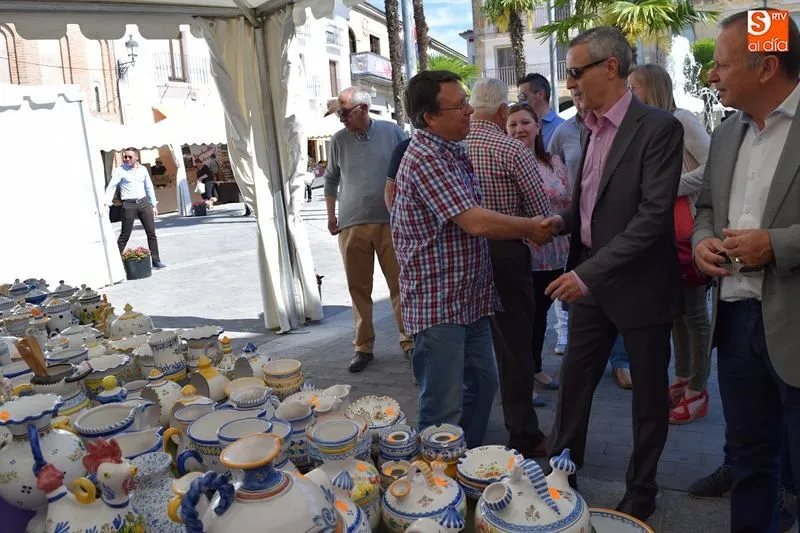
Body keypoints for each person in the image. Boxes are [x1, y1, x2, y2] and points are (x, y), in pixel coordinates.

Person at [542, 26, 684, 521]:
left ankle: (642, 491)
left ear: (610, 67)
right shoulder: (585, 126)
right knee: (574, 383)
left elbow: (650, 217)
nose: (569, 81)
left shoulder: (658, 128)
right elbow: (593, 207)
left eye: (575, 71)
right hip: (592, 283)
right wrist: (556, 226)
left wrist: (587, 275)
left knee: (647, 398)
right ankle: (562, 473)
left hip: (640, 288)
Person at [391, 70, 554, 449]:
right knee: (442, 404)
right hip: (439, 304)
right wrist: (530, 227)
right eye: (459, 105)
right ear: (430, 118)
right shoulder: (427, 157)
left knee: (483, 384)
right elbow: (475, 221)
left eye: (467, 101)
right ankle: (435, 485)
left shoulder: (454, 151)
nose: (469, 110)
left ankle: (464, 459)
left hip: (470, 299)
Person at [692, 10, 800, 532]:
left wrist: (775, 245)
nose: (713, 75)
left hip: (795, 327)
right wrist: (700, 241)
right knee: (751, 464)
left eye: (722, 64)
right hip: (735, 324)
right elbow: (708, 207)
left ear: (766, 67)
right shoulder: (728, 131)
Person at [464, 78, 552, 457]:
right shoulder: (512, 150)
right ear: (503, 111)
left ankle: (468, 428)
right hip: (507, 255)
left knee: (469, 344)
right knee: (515, 345)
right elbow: (541, 215)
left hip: (462, 254)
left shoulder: (454, 149)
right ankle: (523, 433)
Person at [628, 63, 712, 424]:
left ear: (653, 88)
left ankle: (698, 388)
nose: (630, 94)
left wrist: (669, 187)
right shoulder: (647, 125)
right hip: (665, 229)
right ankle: (682, 376)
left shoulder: (683, 119)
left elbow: (712, 167)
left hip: (688, 227)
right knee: (676, 310)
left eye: (635, 87)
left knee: (694, 313)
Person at [324, 86, 411, 373]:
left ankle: (408, 341)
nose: (341, 119)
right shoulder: (338, 140)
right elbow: (330, 179)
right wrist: (330, 215)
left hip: (391, 222)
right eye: (339, 114)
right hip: (351, 224)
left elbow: (409, 169)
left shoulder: (393, 131)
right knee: (358, 289)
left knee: (400, 286)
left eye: (345, 113)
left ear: (363, 108)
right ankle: (363, 347)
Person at [505, 100, 567, 407]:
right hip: (524, 254)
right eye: (513, 124)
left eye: (525, 122)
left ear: (537, 126)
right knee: (521, 320)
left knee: (540, 315)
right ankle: (519, 381)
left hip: (555, 253)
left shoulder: (553, 162)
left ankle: (536, 369)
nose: (519, 129)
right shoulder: (506, 162)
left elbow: (569, 199)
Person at [547, 89, 584, 357]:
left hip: (603, 221)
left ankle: (619, 360)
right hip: (571, 217)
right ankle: (564, 331)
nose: (580, 100)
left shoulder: (620, 127)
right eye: (575, 96)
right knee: (567, 275)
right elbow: (554, 169)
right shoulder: (564, 131)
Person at [105, 147, 166, 269]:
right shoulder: (120, 170)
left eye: (129, 157)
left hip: (143, 203)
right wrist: (106, 202)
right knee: (124, 235)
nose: (127, 159)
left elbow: (149, 187)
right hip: (128, 205)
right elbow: (111, 187)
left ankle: (156, 260)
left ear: (136, 157)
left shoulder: (143, 169)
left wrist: (153, 204)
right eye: (125, 156)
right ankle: (115, 263)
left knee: (151, 233)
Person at [517, 72, 565, 147]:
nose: (520, 102)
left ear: (540, 94)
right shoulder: (519, 126)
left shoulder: (562, 127)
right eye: (519, 97)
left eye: (523, 96)